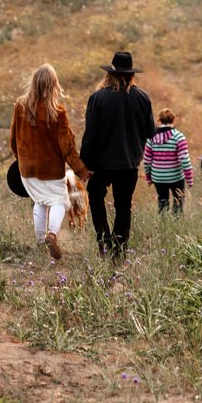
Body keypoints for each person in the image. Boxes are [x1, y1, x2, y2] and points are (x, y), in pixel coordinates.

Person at [8, 63, 90, 260]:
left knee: (40, 201)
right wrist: (82, 170)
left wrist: (22, 160)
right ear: (54, 85)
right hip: (51, 169)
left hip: (27, 169)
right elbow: (67, 147)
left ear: (34, 83)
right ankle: (52, 234)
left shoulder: (20, 106)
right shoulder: (58, 113)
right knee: (60, 202)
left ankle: (39, 242)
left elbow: (13, 139)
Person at [79, 51, 154, 258]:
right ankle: (119, 251)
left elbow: (90, 135)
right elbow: (150, 132)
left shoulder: (98, 98)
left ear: (110, 73)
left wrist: (84, 164)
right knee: (123, 206)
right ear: (131, 74)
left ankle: (104, 242)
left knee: (95, 197)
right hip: (129, 163)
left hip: (101, 163)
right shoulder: (142, 98)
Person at [142, 108, 192, 214]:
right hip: (176, 177)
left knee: (162, 202)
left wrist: (149, 178)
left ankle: (163, 224)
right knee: (178, 203)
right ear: (174, 120)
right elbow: (184, 160)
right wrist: (189, 179)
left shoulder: (151, 137)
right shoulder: (178, 137)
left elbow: (146, 160)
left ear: (159, 120)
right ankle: (175, 226)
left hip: (158, 177)